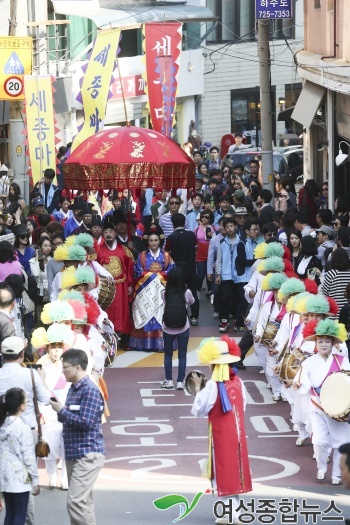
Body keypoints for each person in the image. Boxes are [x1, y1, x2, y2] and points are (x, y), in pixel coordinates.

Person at [191, 336, 252, 525]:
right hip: (238, 434)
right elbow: (243, 406)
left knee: (222, 470)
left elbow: (198, 409)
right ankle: (235, 512)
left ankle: (228, 514)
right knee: (237, 470)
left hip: (220, 434)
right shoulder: (239, 382)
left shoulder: (211, 385)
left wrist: (197, 388)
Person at [50, 349, 105, 525]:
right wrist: (61, 410)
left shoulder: (89, 390)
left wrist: (62, 410)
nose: (63, 371)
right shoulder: (73, 389)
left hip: (87, 453)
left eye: (65, 367)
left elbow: (87, 422)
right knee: (83, 503)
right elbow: (69, 417)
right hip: (75, 453)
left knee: (76, 502)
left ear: (78, 367)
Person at [293, 319, 350, 484]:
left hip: (338, 406)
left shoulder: (342, 360)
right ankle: (322, 467)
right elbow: (302, 381)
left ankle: (336, 474)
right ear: (315, 343)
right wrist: (298, 384)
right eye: (320, 341)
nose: (323, 344)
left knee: (340, 441)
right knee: (319, 440)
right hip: (317, 404)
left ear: (333, 343)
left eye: (327, 341)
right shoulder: (309, 361)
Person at [129, 226, 175, 352]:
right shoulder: (142, 255)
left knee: (160, 313)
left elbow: (171, 270)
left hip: (161, 289)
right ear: (147, 241)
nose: (153, 243)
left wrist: (157, 276)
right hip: (145, 291)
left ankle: (162, 343)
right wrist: (152, 276)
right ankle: (145, 343)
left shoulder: (166, 255)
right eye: (151, 241)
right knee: (146, 313)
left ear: (160, 241)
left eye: (155, 240)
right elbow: (137, 271)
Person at [0, 388, 40, 525]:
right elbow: (28, 457)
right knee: (19, 515)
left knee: (10, 514)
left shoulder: (2, 426)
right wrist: (35, 480)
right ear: (21, 406)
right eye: (26, 401)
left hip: (4, 476)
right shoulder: (22, 427)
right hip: (20, 478)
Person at [97, 217, 134, 347]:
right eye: (105, 232)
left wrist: (130, 284)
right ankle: (107, 337)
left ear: (115, 233)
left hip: (121, 286)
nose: (108, 234)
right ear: (102, 234)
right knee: (107, 312)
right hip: (106, 288)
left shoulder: (124, 250)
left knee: (122, 313)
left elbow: (130, 267)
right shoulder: (98, 250)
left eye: (111, 232)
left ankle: (123, 338)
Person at [160, 267, 194, 390]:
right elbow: (192, 302)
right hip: (183, 327)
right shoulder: (187, 293)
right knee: (182, 355)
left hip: (167, 327)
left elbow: (164, 303)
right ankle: (180, 381)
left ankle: (168, 380)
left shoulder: (164, 292)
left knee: (168, 354)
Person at [165, 213, 199, 325]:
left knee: (178, 292)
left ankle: (180, 313)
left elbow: (167, 252)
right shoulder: (191, 235)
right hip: (191, 267)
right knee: (193, 291)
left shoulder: (171, 237)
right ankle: (195, 316)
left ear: (172, 223)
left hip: (177, 270)